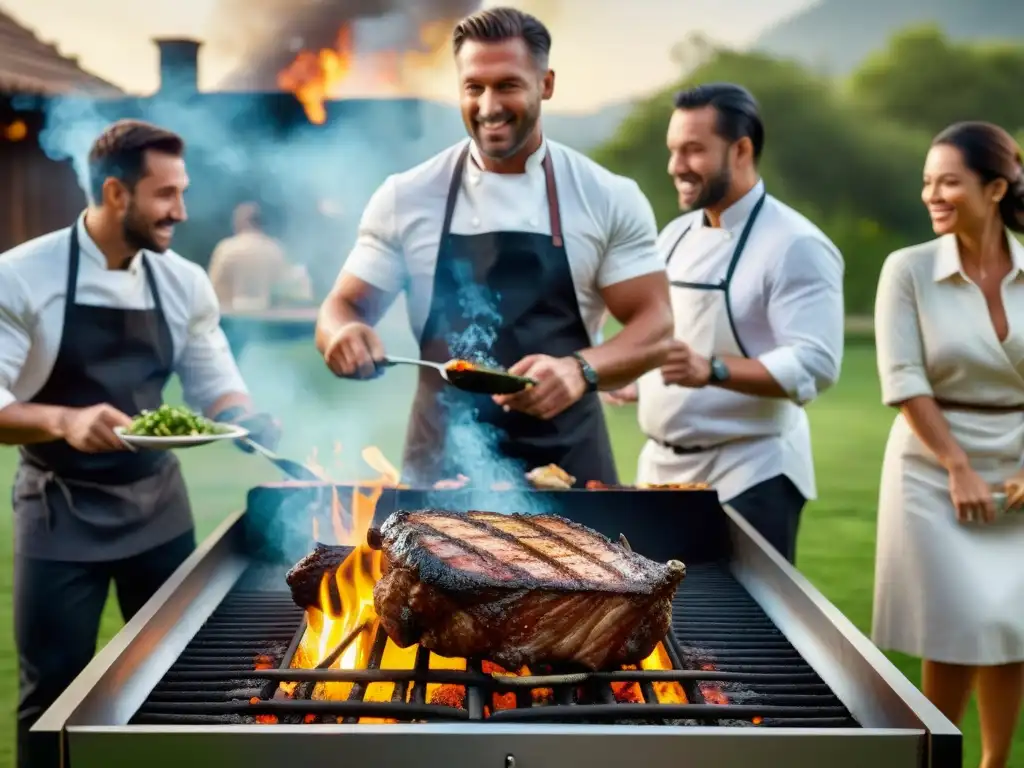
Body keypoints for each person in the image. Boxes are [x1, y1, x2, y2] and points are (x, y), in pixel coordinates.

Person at [0, 119, 279, 768]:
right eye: (166, 195)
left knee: (178, 677)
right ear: (116, 193)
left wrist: (247, 418)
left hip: (157, 508)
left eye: (182, 192)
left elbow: (218, 387)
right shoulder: (21, 276)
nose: (181, 211)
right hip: (58, 509)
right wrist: (63, 422)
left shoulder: (182, 281)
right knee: (53, 697)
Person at [315, 7, 672, 488]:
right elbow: (343, 307)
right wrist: (342, 334)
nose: (488, 105)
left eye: (507, 85)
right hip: (442, 468)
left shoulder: (605, 196)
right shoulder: (407, 196)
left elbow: (656, 324)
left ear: (545, 84)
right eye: (473, 87)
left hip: (570, 470)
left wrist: (580, 370)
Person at [603, 84, 845, 563]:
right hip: (660, 476)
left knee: (739, 626)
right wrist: (641, 382)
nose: (676, 166)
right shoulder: (674, 236)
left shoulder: (796, 244)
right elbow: (674, 338)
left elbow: (816, 364)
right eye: (674, 150)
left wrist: (711, 369)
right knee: (661, 623)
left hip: (750, 477)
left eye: (693, 150)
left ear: (741, 150)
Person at [872, 121, 1024, 768]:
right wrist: (956, 464)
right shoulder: (905, 270)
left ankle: (994, 762)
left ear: (994, 189)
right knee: (957, 624)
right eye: (927, 182)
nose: (932, 194)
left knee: (1013, 626)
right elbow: (904, 379)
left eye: (949, 182)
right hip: (931, 466)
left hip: (1018, 457)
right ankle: (940, 760)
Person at [207, 201, 310, 312]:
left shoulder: (225, 249)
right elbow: (288, 291)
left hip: (231, 319)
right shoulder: (275, 250)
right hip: (267, 319)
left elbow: (211, 290)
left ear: (241, 221)